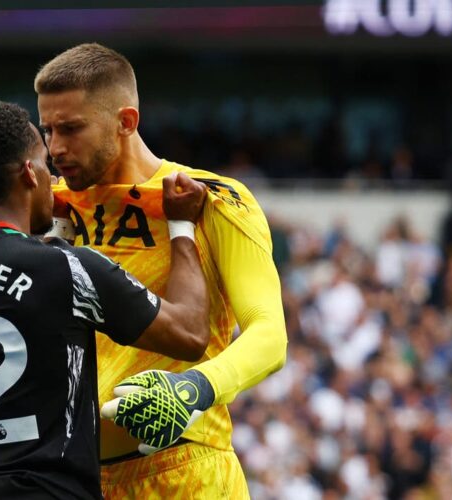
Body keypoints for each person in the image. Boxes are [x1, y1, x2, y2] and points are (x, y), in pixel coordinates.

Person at [0, 100, 213, 499]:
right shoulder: (65, 270)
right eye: (46, 164)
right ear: (29, 173)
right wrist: (182, 224)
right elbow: (189, 332)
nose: (55, 178)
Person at [35, 43, 288, 498]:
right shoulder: (54, 206)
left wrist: (193, 390)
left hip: (185, 471)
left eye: (71, 129)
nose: (56, 148)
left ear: (126, 121)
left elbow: (270, 335)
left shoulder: (211, 198)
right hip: (78, 478)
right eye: (48, 130)